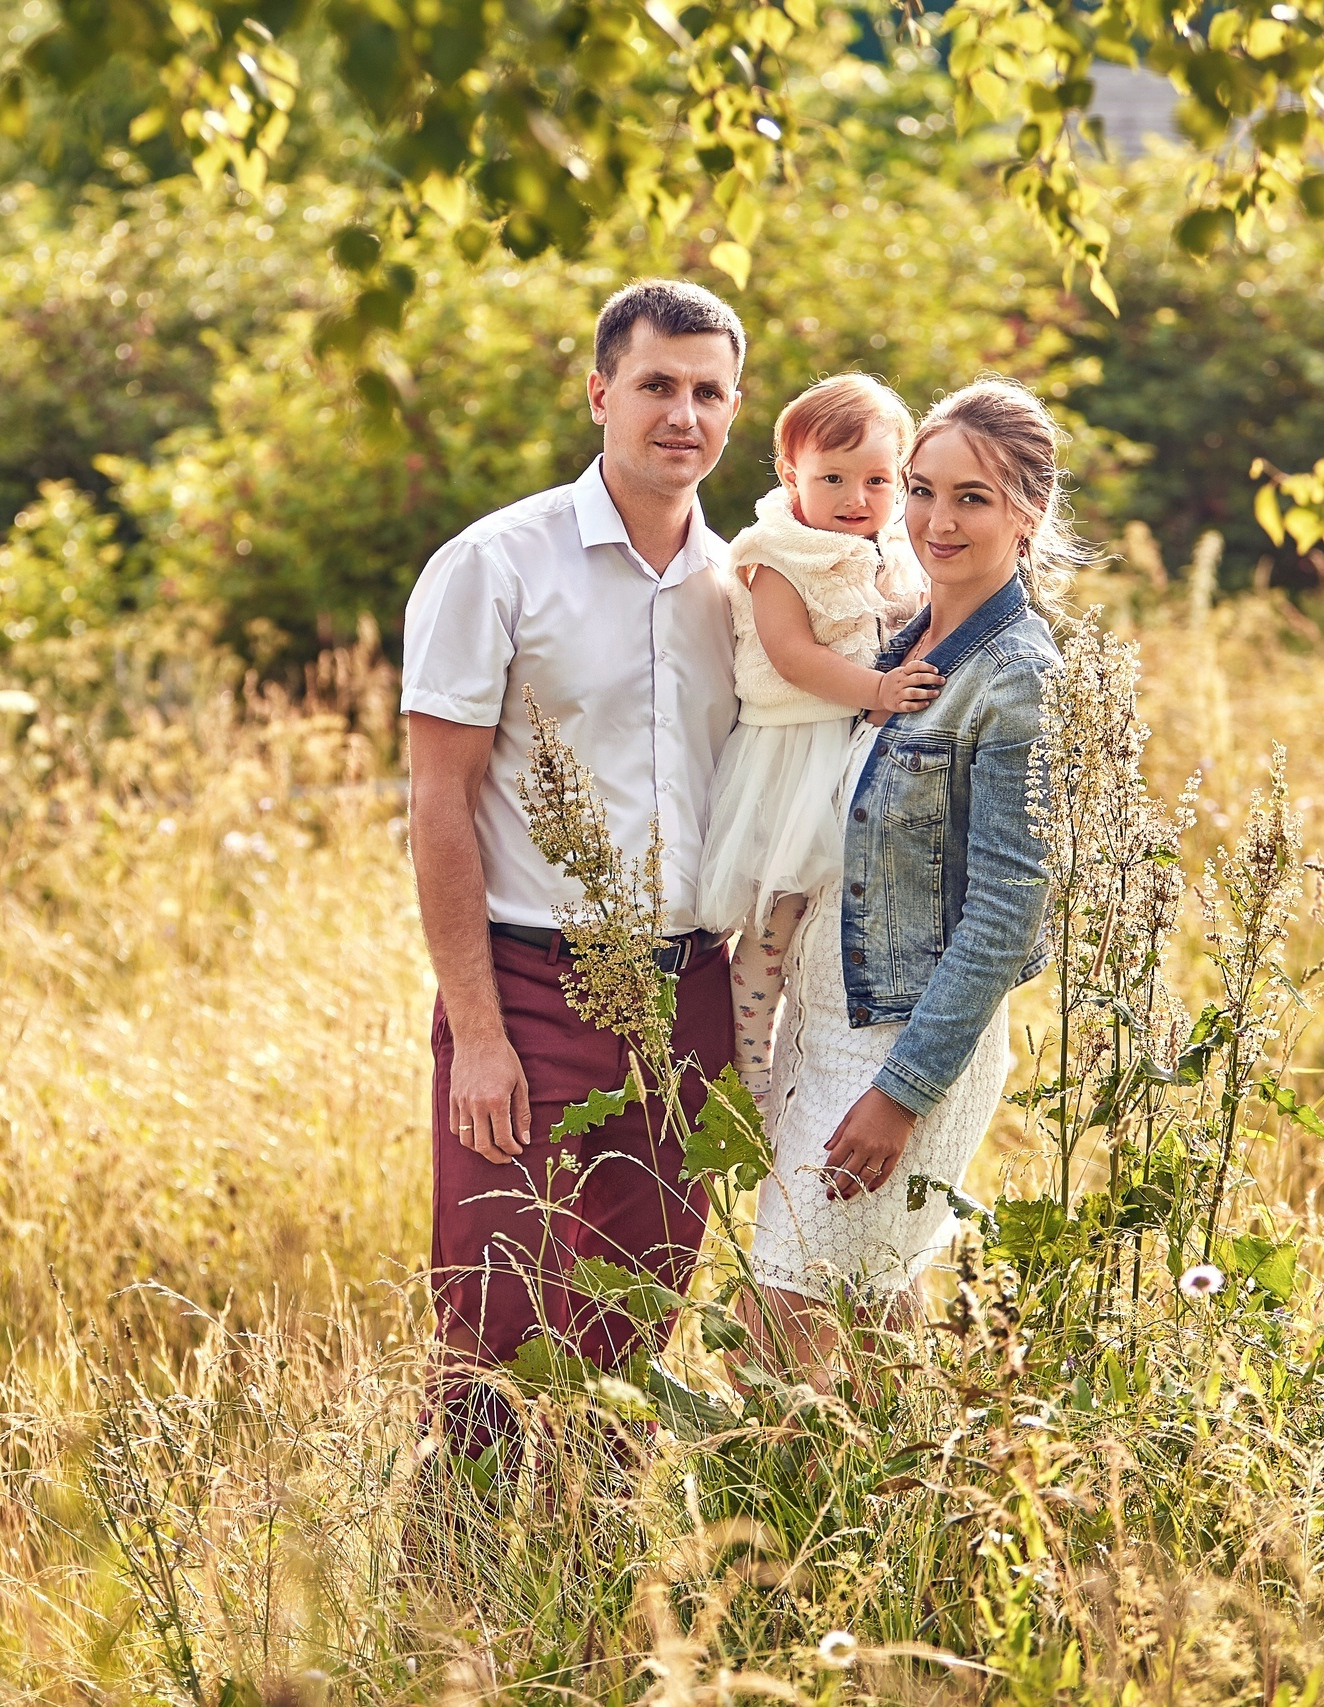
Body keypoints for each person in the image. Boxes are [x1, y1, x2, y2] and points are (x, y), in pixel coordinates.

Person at [399, 278, 746, 1459]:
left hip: (689, 987)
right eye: (656, 386)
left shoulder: (749, 591)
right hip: (528, 983)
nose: (681, 415)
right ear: (600, 393)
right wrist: (478, 1033)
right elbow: (436, 802)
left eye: (707, 392)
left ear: (733, 409)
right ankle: (452, 1596)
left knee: (639, 1314)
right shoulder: (494, 564)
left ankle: (602, 1590)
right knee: (494, 1309)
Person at [743, 377, 1076, 1377]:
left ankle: (787, 1528)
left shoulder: (1016, 673)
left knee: (777, 1334)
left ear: (1028, 512)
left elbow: (1008, 915)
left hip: (899, 1046)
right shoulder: (894, 640)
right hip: (820, 1022)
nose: (933, 520)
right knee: (868, 1327)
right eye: (921, 490)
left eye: (970, 498)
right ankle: (925, 1525)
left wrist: (903, 1093)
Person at [695, 374, 936, 1129]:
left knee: (829, 926)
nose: (855, 497)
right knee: (776, 912)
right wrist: (878, 689)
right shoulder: (777, 553)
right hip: (793, 749)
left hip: (848, 745)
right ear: (789, 474)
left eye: (876, 480)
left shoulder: (888, 550)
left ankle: (818, 1056)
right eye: (832, 478)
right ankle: (751, 1061)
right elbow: (793, 654)